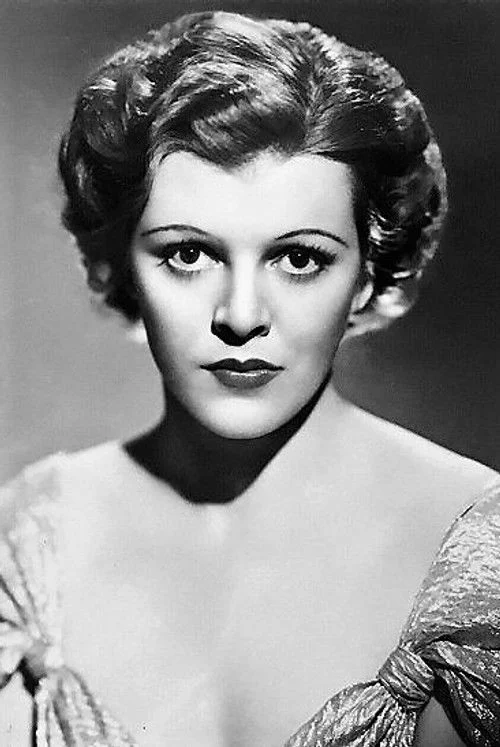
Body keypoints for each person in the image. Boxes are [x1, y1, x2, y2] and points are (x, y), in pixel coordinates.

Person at [0, 10, 498, 747]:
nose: (240, 315)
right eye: (188, 254)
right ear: (123, 267)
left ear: (368, 275)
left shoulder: (480, 556)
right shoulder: (26, 543)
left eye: (299, 258)